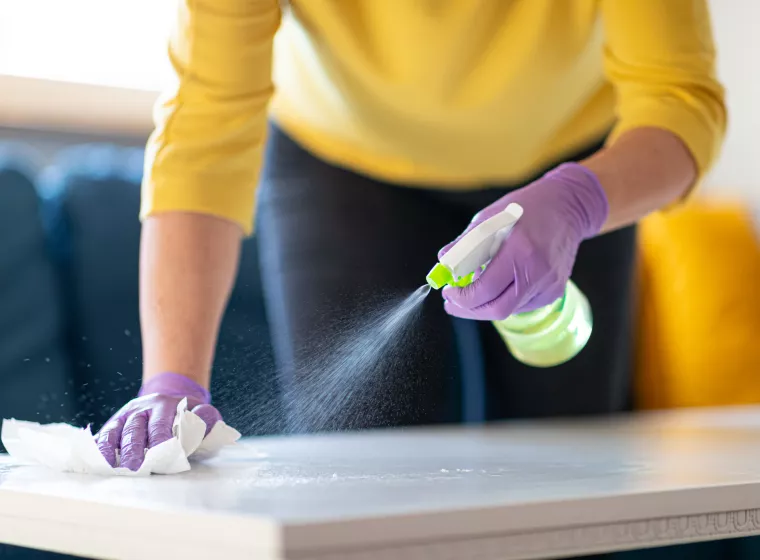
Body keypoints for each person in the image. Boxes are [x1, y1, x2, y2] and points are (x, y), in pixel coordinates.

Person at [96, 0, 725, 472]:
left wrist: (582, 200)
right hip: (339, 161)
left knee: (571, 475)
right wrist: (171, 381)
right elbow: (203, 134)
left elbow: (680, 100)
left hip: (574, 161)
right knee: (360, 483)